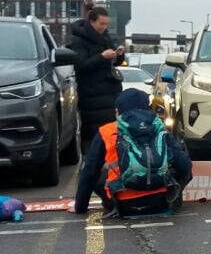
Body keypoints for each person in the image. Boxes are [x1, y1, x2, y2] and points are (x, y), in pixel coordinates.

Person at [75, 89, 192, 217]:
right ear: (148, 108)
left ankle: (111, 204)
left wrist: (80, 207)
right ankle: (174, 200)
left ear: (118, 111)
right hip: (160, 201)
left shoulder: (107, 131)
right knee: (182, 163)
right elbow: (184, 166)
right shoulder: (159, 127)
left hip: (123, 205)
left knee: (96, 169)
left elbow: (89, 173)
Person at [67, 6, 124, 150]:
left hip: (109, 95)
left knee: (110, 135)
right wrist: (101, 57)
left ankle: (109, 165)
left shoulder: (105, 37)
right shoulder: (79, 40)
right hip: (91, 95)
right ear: (92, 22)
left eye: (106, 24)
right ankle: (91, 165)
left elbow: (112, 62)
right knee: (94, 137)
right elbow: (81, 66)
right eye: (102, 24)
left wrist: (118, 55)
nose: (104, 27)